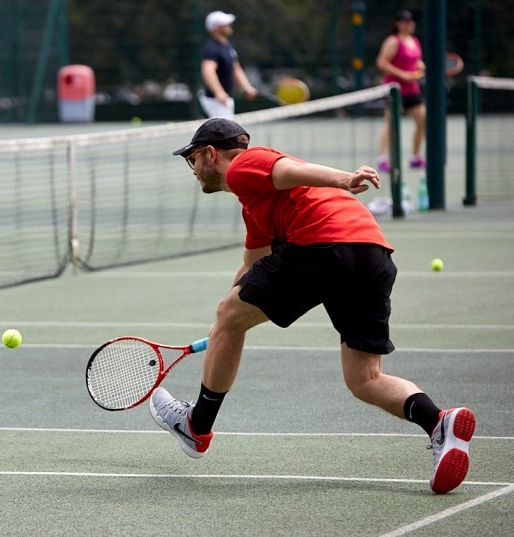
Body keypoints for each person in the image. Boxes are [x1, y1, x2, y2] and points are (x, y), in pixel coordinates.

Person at [150, 117, 476, 494]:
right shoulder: (255, 205)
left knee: (231, 317)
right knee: (365, 379)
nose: (193, 169)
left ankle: (197, 426)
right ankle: (439, 422)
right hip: (371, 254)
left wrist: (343, 178)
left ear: (211, 154)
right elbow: (253, 264)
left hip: (322, 247)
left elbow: (290, 170)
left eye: (192, 159)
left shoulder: (243, 165)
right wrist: (225, 319)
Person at [376, 9, 426, 172]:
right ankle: (382, 159)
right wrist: (403, 74)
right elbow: (382, 63)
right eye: (404, 22)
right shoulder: (393, 41)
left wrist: (420, 66)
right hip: (394, 91)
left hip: (412, 90)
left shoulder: (414, 41)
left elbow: (417, 61)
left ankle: (415, 157)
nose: (408, 25)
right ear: (398, 24)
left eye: (410, 22)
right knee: (391, 125)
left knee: (423, 122)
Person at [198, 10, 259, 118]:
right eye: (225, 23)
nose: (229, 25)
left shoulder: (227, 46)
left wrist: (247, 88)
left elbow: (235, 68)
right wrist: (219, 93)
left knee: (227, 132)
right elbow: (208, 71)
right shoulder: (211, 48)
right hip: (215, 100)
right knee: (225, 133)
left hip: (226, 99)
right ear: (216, 27)